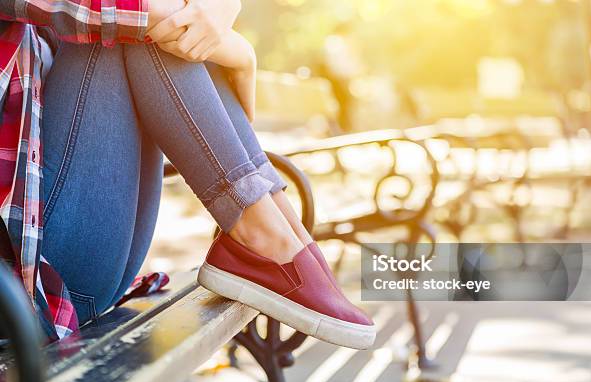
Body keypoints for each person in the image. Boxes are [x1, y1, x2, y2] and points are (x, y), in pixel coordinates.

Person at [0, 0, 375, 349]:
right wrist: (239, 51)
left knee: (154, 23)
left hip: (70, 269)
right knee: (143, 23)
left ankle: (281, 231)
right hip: (25, 299)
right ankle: (264, 235)